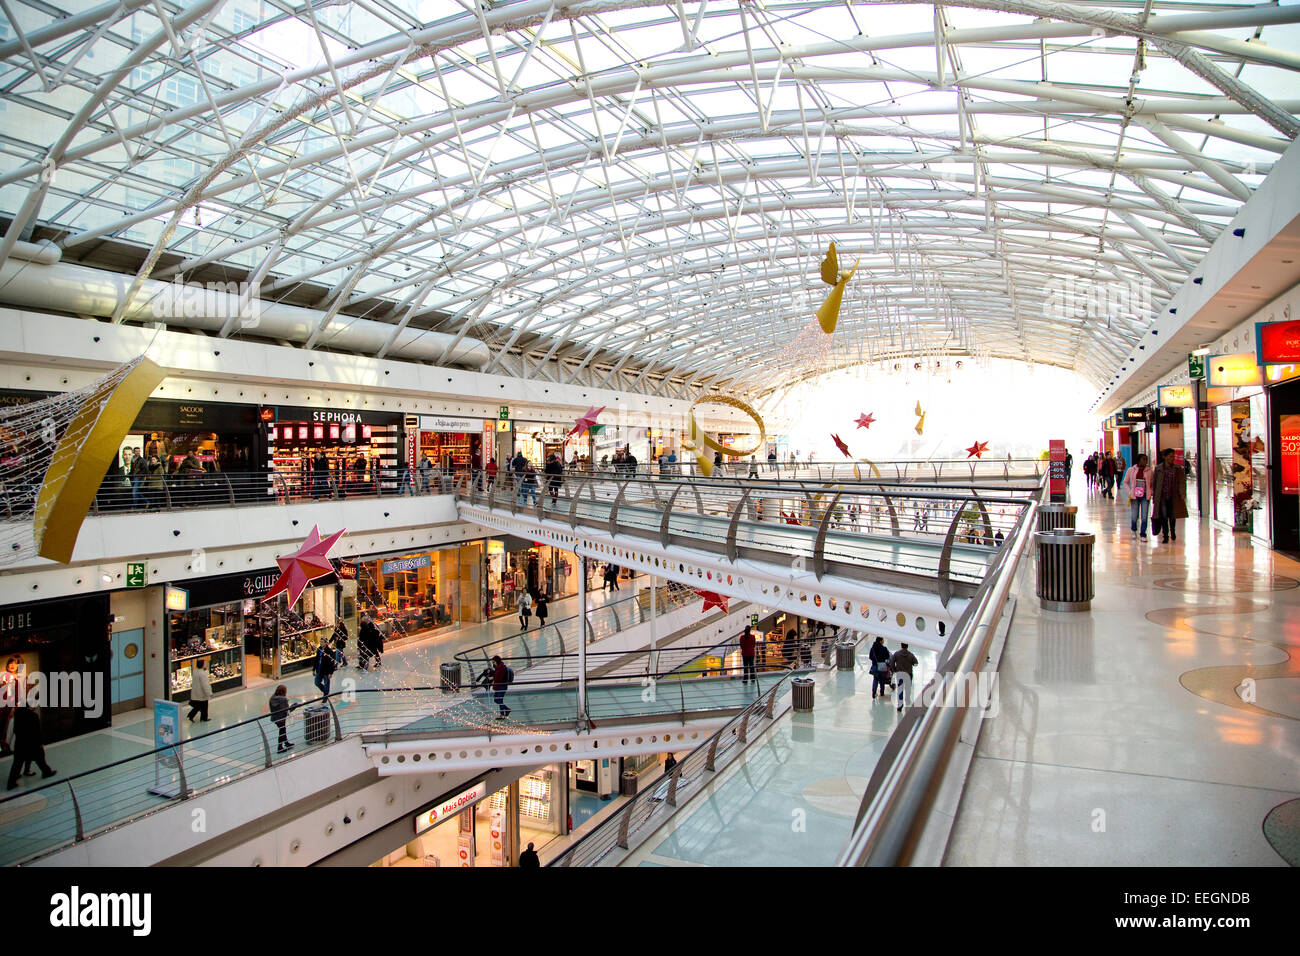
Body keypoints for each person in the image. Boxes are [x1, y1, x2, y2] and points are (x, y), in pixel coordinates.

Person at [5, 704, 54, 790]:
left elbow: (14, 730)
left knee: (17, 764)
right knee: (40, 759)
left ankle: (11, 783)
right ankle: (46, 772)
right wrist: (40, 743)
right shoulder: (34, 716)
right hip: (32, 744)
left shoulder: (18, 713)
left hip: (20, 744)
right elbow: (37, 732)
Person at [1151, 448, 1188, 543]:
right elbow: (1154, 483)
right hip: (1162, 496)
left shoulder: (1177, 468)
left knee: (1172, 515)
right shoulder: (1158, 468)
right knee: (1163, 516)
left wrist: (1182, 493)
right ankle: (1165, 535)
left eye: (1173, 456)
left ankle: (1173, 531)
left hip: (1173, 496)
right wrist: (1154, 496)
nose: (1172, 458)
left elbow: (1182, 481)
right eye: (1170, 456)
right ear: (1165, 457)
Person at [1121, 453, 1151, 540]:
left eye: (1146, 459)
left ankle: (1143, 534)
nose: (1145, 461)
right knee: (1134, 515)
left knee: (1144, 515)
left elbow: (1152, 483)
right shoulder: (1131, 470)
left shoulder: (1149, 471)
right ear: (1138, 460)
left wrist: (1150, 491)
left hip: (1145, 495)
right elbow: (1125, 482)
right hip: (1135, 496)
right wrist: (1130, 491)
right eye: (1143, 459)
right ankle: (1134, 530)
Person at [889, 642, 919, 713]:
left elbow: (891, 663)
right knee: (908, 688)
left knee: (900, 689)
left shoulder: (897, 654)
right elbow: (916, 663)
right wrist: (911, 664)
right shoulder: (911, 655)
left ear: (901, 646)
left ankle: (900, 705)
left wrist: (894, 670)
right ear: (907, 646)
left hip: (900, 674)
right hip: (908, 674)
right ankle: (907, 700)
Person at [268, 685, 295, 753]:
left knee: (283, 730)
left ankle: (286, 743)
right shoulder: (283, 699)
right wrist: (294, 707)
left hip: (275, 718)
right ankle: (280, 747)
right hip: (281, 718)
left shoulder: (272, 698)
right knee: (282, 731)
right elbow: (286, 710)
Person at [491, 654, 511, 719]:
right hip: (499, 686)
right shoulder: (498, 667)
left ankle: (505, 712)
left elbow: (499, 678)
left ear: (497, 661)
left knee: (498, 700)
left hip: (502, 686)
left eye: (494, 662)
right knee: (498, 700)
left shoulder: (501, 668)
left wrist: (492, 678)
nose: (493, 664)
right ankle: (504, 712)